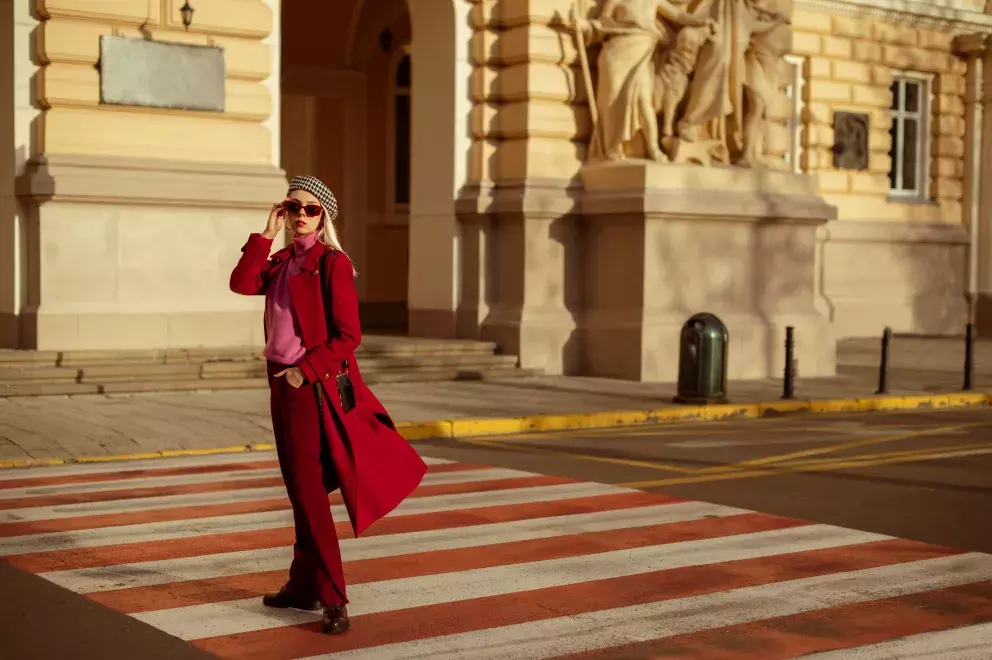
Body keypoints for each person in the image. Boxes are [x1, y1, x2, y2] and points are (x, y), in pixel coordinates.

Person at [229, 175, 428, 635]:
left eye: (310, 209)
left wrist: (304, 370)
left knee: (309, 493)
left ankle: (334, 597)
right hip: (280, 382)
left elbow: (348, 336)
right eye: (292, 207)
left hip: (308, 385)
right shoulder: (281, 261)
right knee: (301, 490)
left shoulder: (331, 264)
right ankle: (303, 586)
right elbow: (241, 283)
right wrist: (265, 233)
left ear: (324, 217)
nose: (300, 215)